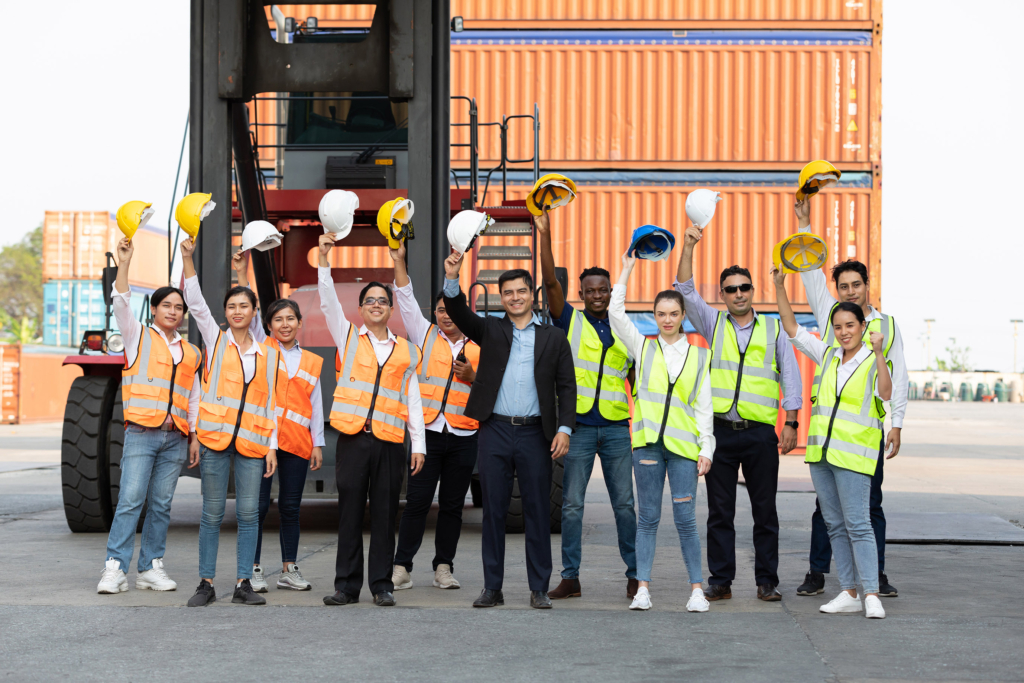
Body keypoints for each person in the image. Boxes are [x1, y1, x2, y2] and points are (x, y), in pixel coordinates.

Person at [443, 251, 576, 610]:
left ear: (532, 294)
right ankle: (492, 588)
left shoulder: (553, 338)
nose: (515, 297)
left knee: (536, 511)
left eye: (521, 291)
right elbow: (457, 312)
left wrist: (564, 428)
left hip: (536, 434)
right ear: (500, 298)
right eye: (508, 293)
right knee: (495, 512)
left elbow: (567, 387)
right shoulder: (492, 330)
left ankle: (539, 588)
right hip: (495, 431)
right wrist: (452, 276)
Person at [676, 224, 802, 602]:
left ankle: (767, 581)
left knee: (765, 512)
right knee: (720, 513)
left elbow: (791, 379)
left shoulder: (774, 329)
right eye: (730, 289)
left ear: (752, 290)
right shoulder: (713, 324)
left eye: (744, 287)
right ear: (722, 295)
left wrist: (791, 422)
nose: (738, 294)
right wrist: (688, 246)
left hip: (761, 433)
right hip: (720, 434)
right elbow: (684, 289)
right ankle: (721, 581)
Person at [792, 198, 907, 598]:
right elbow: (808, 275)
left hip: (864, 433)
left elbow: (899, 379)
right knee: (826, 509)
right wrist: (804, 221)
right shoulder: (830, 317)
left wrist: (896, 424)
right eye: (843, 286)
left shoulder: (886, 326)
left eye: (856, 285)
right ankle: (817, 572)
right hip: (827, 433)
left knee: (869, 505)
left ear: (866, 287)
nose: (850, 292)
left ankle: (875, 574)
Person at [774, 265, 890, 619]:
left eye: (850, 326)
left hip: (854, 458)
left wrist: (880, 353)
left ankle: (871, 593)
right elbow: (792, 329)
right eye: (838, 327)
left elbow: (886, 394)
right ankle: (850, 591)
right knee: (835, 525)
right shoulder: (826, 355)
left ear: (862, 327)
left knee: (859, 524)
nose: (843, 332)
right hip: (821, 455)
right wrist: (779, 286)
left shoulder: (872, 362)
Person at [316, 233, 426, 608]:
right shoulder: (347, 337)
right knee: (349, 514)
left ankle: (382, 585)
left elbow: (411, 398)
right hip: (353, 439)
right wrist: (324, 261)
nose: (376, 305)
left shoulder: (408, 350)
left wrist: (419, 445)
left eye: (383, 300)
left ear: (390, 309)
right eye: (370, 301)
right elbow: (328, 302)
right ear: (360, 309)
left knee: (384, 513)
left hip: (391, 442)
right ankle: (346, 587)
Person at [536, 210, 639, 601]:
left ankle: (635, 574)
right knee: (572, 507)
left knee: (625, 506)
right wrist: (545, 235)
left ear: (612, 291)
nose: (597, 295)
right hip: (577, 428)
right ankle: (571, 577)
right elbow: (548, 282)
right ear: (581, 293)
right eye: (590, 290)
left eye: (603, 290)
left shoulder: (625, 328)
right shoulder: (570, 321)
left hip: (615, 428)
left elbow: (637, 382)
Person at [96, 237, 202, 595]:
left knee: (161, 505)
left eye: (178, 307)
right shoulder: (136, 336)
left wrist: (194, 436)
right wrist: (124, 263)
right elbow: (121, 302)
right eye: (166, 306)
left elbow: (194, 396)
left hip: (176, 438)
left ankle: (150, 567)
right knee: (130, 500)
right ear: (154, 310)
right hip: (142, 433)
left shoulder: (192, 352)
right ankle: (115, 568)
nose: (173, 311)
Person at [610, 252, 715, 613]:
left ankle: (697, 590)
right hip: (648, 448)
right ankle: (642, 589)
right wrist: (626, 269)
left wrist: (707, 449)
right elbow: (615, 315)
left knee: (686, 521)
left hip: (685, 450)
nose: (667, 320)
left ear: (683, 316)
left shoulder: (700, 357)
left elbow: (704, 408)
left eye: (673, 314)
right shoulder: (643, 347)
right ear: (653, 317)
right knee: (648, 518)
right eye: (661, 314)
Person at [180, 237, 281, 607]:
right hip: (215, 441)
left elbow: (272, 403)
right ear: (225, 313)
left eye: (244, 305)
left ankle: (243, 583)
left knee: (249, 513)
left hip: (254, 444)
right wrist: (188, 258)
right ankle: (205, 583)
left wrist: (272, 446)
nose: (238, 311)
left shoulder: (268, 353)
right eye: (231, 306)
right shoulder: (216, 340)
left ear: (255, 312)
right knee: (211, 512)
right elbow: (195, 302)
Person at [387, 243, 479, 592]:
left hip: (464, 436)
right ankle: (401, 566)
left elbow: (491, 385)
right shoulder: (423, 333)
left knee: (453, 506)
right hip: (426, 434)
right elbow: (405, 295)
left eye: (450, 310)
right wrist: (399, 261)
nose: (445, 315)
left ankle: (443, 566)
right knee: (417, 503)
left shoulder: (481, 344)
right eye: (439, 310)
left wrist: (473, 377)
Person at [232, 253, 324, 593]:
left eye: (290, 319)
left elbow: (315, 405)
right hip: (261, 441)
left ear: (300, 323)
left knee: (290, 507)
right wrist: (242, 272)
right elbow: (249, 313)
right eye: (278, 320)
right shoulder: (263, 349)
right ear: (267, 325)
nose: (284, 324)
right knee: (255, 506)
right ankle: (253, 568)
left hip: (298, 445)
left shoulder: (313, 361)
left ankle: (289, 567)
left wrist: (318, 443)